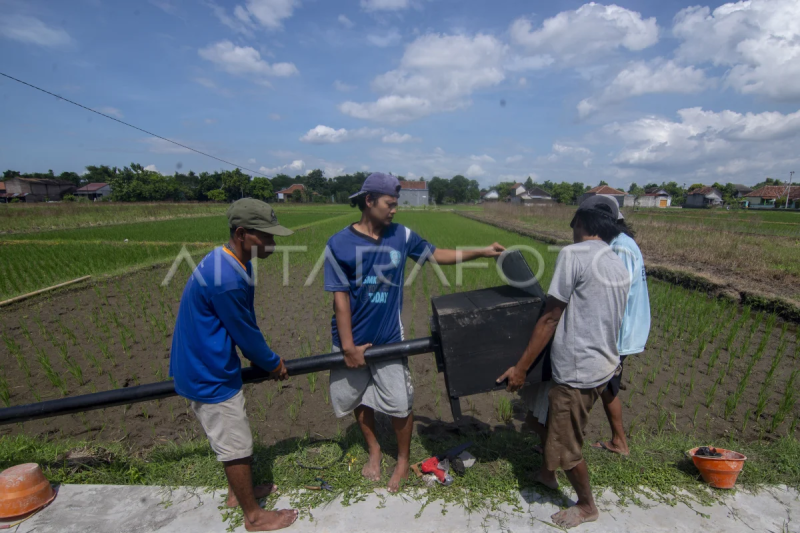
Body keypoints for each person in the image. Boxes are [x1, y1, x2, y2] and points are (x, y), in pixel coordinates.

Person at [324, 172, 504, 493]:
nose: (395, 210)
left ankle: (403, 459)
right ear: (369, 201)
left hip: (389, 339)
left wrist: (482, 251)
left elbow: (437, 255)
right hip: (349, 341)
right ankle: (375, 449)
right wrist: (349, 346)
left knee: (400, 402)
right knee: (356, 400)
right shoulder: (338, 243)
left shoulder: (401, 236)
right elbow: (340, 299)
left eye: (396, 204)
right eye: (389, 204)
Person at [497, 195, 629, 529]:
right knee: (541, 419)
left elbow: (549, 318)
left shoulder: (574, 254)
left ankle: (586, 506)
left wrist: (521, 367)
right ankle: (546, 475)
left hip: (577, 369)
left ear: (580, 223)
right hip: (603, 363)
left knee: (566, 447)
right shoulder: (615, 261)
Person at [170, 198, 299, 531]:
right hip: (208, 372)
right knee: (236, 445)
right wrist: (272, 363)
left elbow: (244, 323)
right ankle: (253, 516)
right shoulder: (226, 277)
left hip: (209, 361)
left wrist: (261, 357)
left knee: (234, 439)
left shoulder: (232, 262)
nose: (272, 244)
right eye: (266, 237)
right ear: (242, 234)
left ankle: (235, 494)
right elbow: (245, 333)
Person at [591, 208, 650, 456]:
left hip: (620, 331)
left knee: (600, 384)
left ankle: (619, 442)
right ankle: (617, 441)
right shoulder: (618, 243)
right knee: (603, 384)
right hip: (617, 329)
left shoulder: (621, 248)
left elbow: (617, 295)